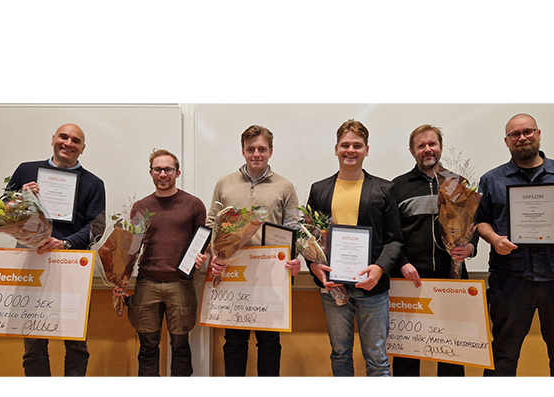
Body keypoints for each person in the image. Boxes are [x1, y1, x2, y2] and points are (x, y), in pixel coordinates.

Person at [476, 113, 554, 376]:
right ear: (507, 141)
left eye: (528, 132)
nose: (522, 138)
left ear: (539, 134)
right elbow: (480, 221)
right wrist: (494, 239)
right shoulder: (492, 179)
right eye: (515, 134)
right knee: (502, 358)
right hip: (510, 279)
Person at [6, 123, 106, 376]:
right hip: (32, 264)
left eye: (76, 140)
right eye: (64, 137)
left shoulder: (94, 183)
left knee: (76, 342)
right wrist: (19, 198)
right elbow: (3, 210)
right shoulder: (26, 170)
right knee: (33, 342)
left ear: (83, 148)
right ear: (53, 139)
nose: (68, 143)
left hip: (72, 267)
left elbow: (97, 226)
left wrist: (66, 243)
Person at [306, 119, 403, 377]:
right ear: (336, 149)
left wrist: (380, 268)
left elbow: (395, 239)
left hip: (372, 287)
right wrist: (313, 265)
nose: (351, 150)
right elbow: (308, 238)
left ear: (367, 150)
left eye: (357, 146)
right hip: (333, 287)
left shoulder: (384, 189)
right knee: (340, 354)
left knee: (377, 358)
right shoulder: (319, 189)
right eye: (345, 145)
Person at [206, 125, 301, 377]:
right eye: (251, 149)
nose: (256, 154)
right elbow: (212, 223)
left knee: (269, 342)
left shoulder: (285, 186)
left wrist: (295, 259)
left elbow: (294, 227)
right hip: (234, 272)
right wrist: (214, 255)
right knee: (234, 341)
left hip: (272, 275)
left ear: (271, 151)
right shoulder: (224, 183)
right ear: (243, 151)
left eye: (261, 149)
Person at [390, 124, 478, 377]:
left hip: (451, 278)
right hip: (410, 280)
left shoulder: (458, 183)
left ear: (440, 147)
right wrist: (402, 263)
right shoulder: (397, 186)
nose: (427, 149)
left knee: (452, 351)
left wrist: (470, 246)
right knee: (407, 353)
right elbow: (391, 234)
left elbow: (473, 224)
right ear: (412, 151)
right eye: (421, 146)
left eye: (432, 144)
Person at [125, 149, 207, 376]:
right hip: (147, 283)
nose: (163, 174)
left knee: (180, 345)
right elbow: (133, 247)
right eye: (158, 169)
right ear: (151, 172)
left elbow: (202, 241)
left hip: (180, 284)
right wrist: (120, 278)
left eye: (168, 169)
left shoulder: (194, 204)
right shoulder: (140, 206)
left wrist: (202, 255)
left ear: (177, 173)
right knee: (148, 346)